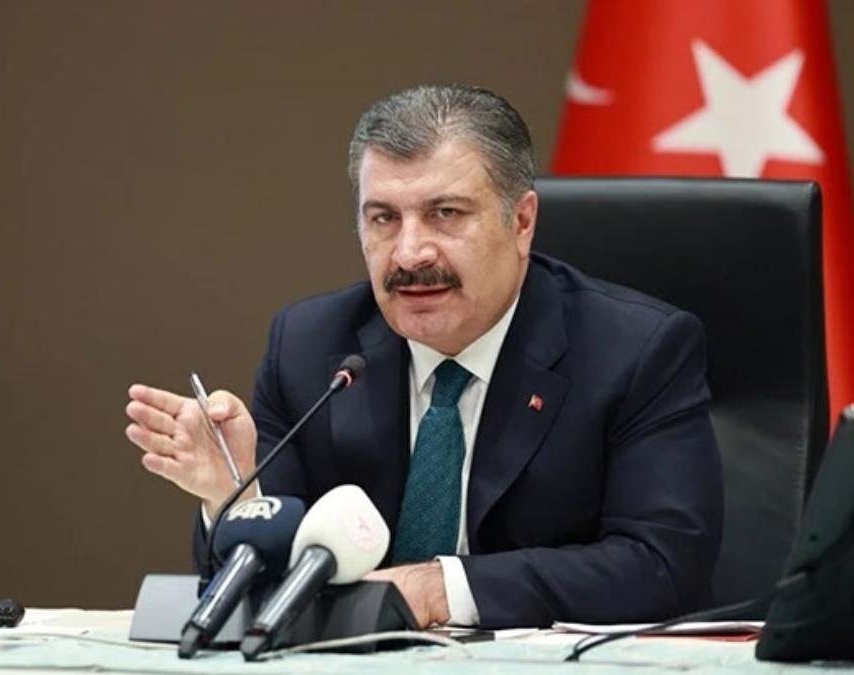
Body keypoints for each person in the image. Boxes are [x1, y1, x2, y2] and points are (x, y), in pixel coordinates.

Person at [124, 84, 723, 629]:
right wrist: (235, 496)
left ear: (521, 222)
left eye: (445, 214)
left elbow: (662, 566)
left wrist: (439, 589)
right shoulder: (311, 346)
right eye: (384, 218)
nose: (410, 253)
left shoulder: (636, 351)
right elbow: (252, 586)